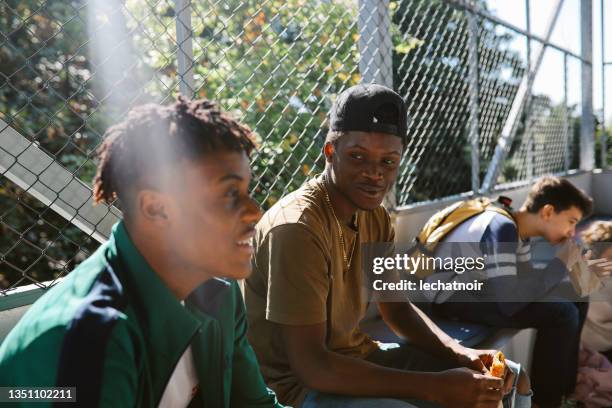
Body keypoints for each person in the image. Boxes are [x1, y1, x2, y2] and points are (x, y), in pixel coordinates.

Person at [245, 84, 530, 408]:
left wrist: (464, 355)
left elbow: (395, 307)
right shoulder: (297, 228)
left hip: (357, 358)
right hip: (295, 389)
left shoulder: (375, 217)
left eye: (389, 161)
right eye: (357, 157)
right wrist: (434, 387)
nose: (374, 173)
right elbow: (312, 367)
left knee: (508, 378)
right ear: (329, 151)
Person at [0, 97, 284, 407]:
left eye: (247, 191)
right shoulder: (92, 336)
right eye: (231, 193)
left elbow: (254, 405)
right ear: (157, 208)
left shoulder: (219, 292)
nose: (255, 212)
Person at [431, 176, 596, 407]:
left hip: (480, 292)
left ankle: (565, 394)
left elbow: (527, 286)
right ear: (548, 212)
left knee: (577, 297)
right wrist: (559, 264)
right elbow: (511, 303)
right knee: (562, 313)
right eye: (571, 221)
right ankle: (545, 402)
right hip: (451, 297)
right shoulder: (503, 227)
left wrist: (567, 271)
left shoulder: (519, 231)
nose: (572, 232)